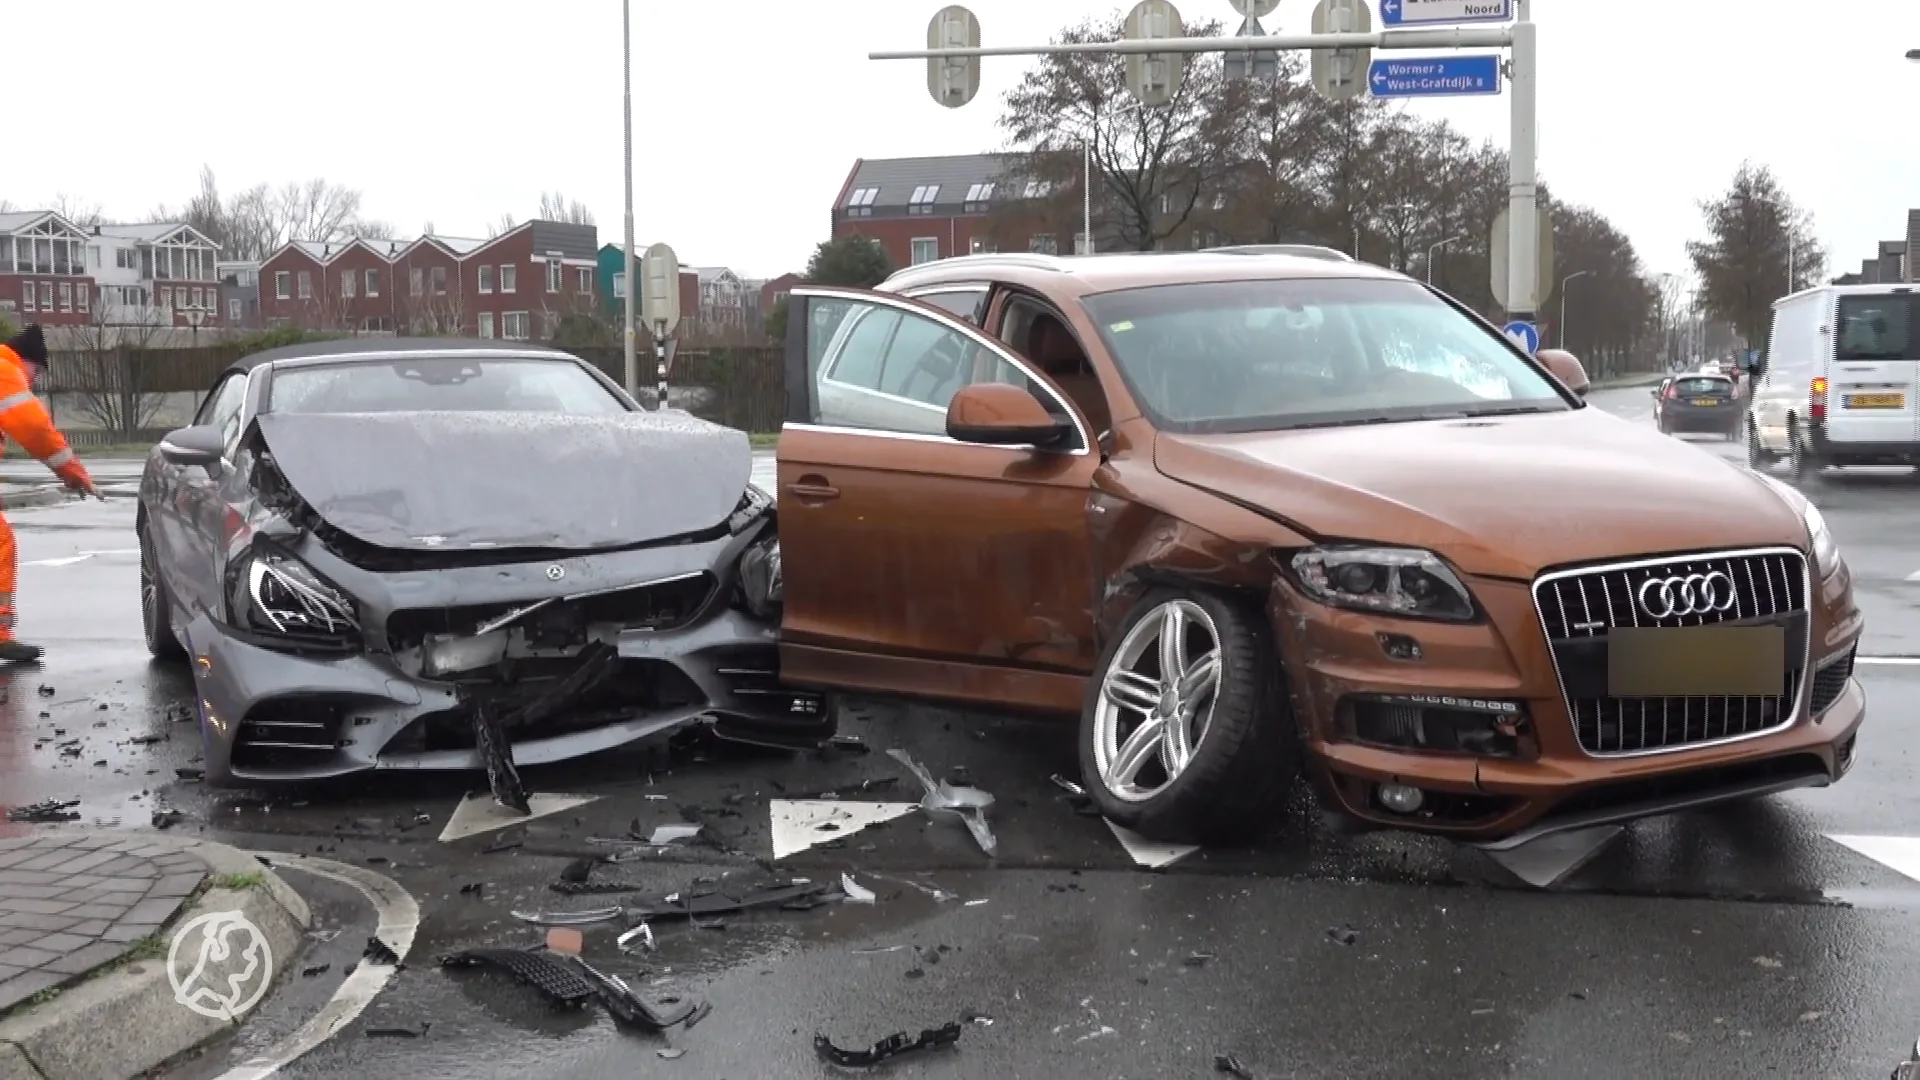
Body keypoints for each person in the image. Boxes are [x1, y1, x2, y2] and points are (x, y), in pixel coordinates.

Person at [0, 324, 96, 663]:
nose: (36, 380)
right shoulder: (5, 371)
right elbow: (35, 428)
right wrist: (73, 472)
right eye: (38, 370)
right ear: (27, 361)